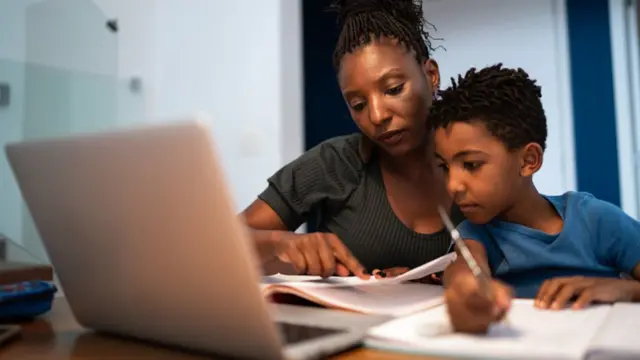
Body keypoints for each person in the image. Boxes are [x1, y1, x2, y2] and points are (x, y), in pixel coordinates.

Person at [243, 0, 465, 279]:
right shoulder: (334, 163)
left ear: (431, 75)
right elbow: (225, 240)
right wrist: (279, 244)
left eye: (394, 89)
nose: (377, 115)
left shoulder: (475, 159)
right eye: (358, 104)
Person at [431, 63, 640, 333]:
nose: (453, 185)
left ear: (529, 160)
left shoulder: (595, 219)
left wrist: (626, 290)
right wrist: (467, 291)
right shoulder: (476, 233)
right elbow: (466, 270)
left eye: (471, 164)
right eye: (444, 167)